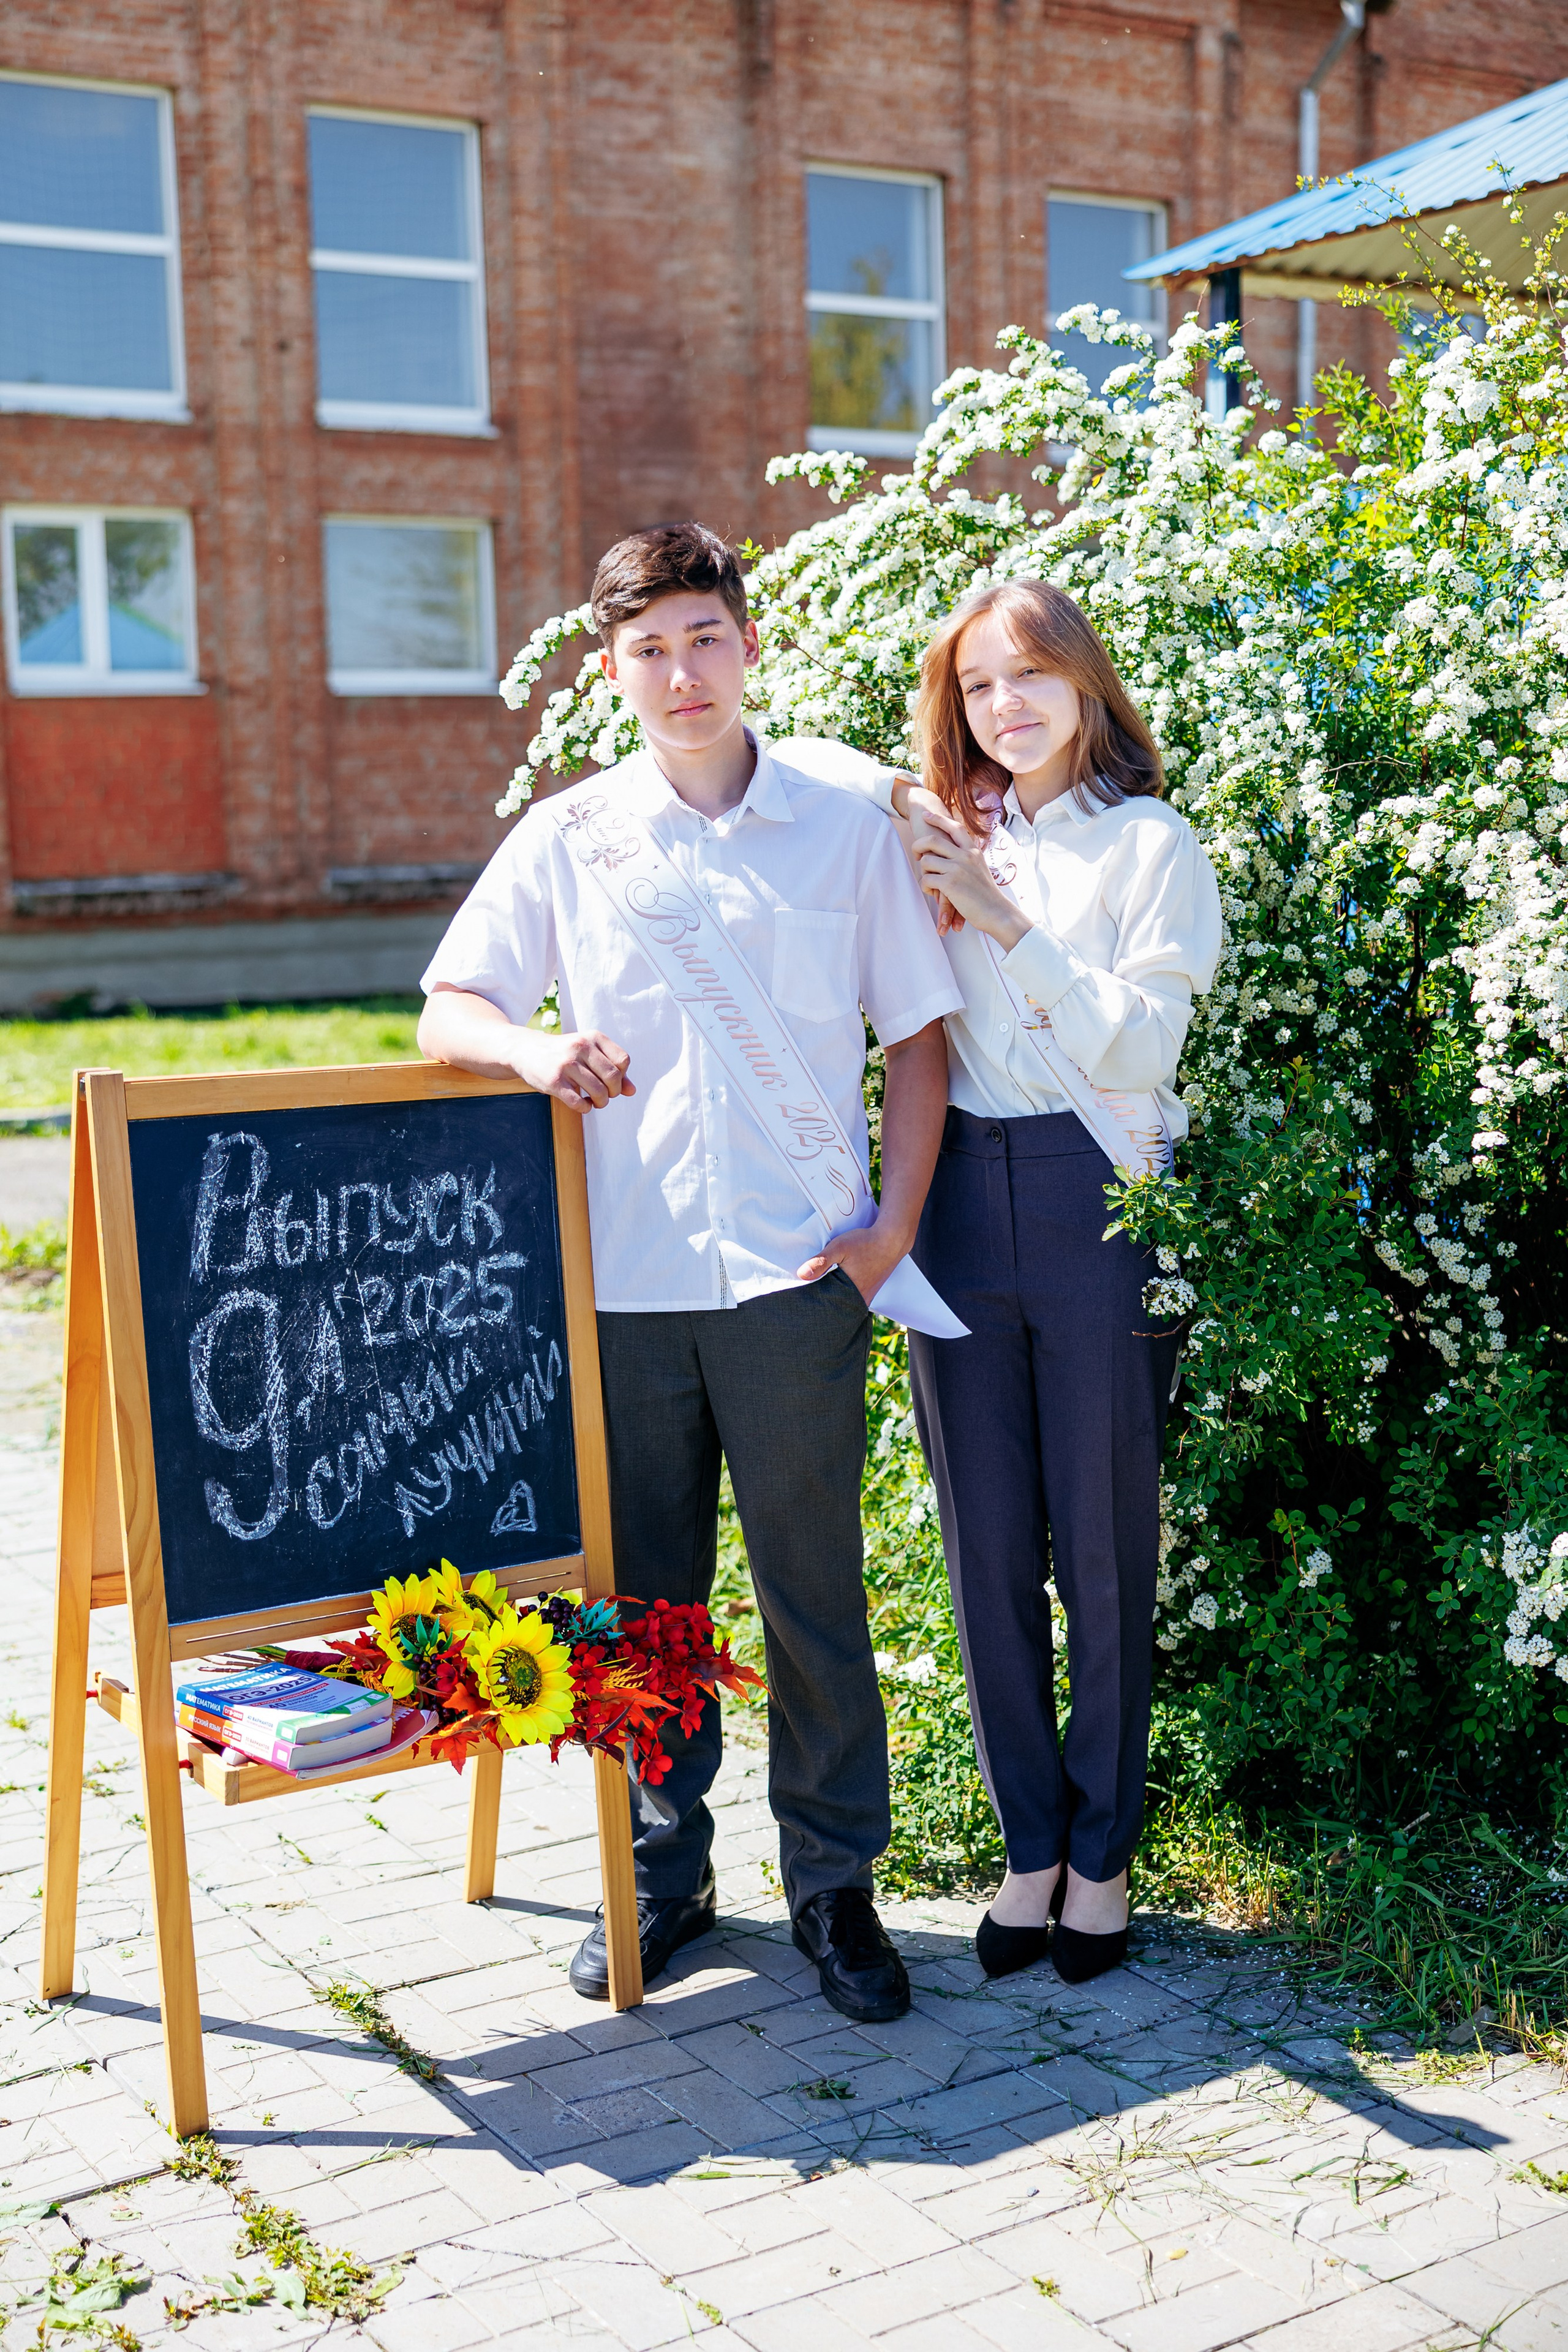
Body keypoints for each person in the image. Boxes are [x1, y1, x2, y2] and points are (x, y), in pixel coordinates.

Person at [417, 522, 962, 2021]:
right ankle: (660, 1872)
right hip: (624, 1290)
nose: (680, 674)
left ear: (748, 644)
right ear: (610, 671)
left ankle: (835, 1885)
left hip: (798, 1285)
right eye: (647, 650)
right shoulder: (569, 836)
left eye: (702, 638)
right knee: (642, 1608)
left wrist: (888, 1233)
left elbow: (919, 1039)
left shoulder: (839, 827)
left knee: (813, 1597)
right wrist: (530, 1048)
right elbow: (447, 1005)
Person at [796, 580, 1221, 1985]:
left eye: (1030, 673)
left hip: (1098, 1199)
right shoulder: (941, 828)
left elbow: (1138, 1052)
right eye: (977, 683)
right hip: (960, 1201)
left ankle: (1100, 1860)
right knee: (985, 1547)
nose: (1005, 704)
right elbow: (791, 776)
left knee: (1099, 1544)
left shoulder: (1148, 844)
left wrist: (999, 917)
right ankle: (1026, 1846)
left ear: (1084, 683)